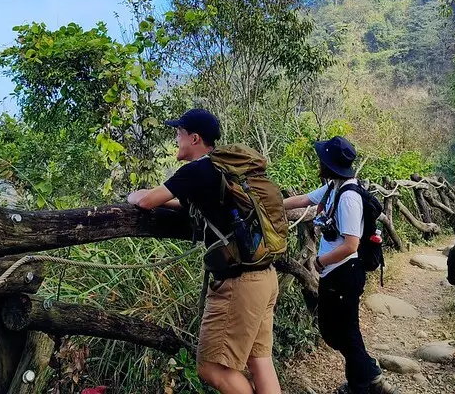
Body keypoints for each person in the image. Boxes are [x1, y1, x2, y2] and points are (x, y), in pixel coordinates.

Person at [127, 108, 282, 394]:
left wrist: (134, 196)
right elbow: (187, 204)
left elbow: (147, 201)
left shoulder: (198, 170)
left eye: (179, 133)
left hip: (239, 283)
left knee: (211, 367)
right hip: (264, 275)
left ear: (194, 138)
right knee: (260, 361)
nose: (176, 138)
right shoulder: (222, 170)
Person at [283, 136, 396, 394]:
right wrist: (269, 205)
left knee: (346, 333)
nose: (319, 162)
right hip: (337, 273)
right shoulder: (334, 187)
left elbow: (351, 244)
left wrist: (320, 260)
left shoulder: (348, 197)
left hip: (346, 271)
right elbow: (303, 201)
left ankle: (370, 379)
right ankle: (364, 381)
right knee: (337, 332)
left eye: (322, 159)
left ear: (330, 164)